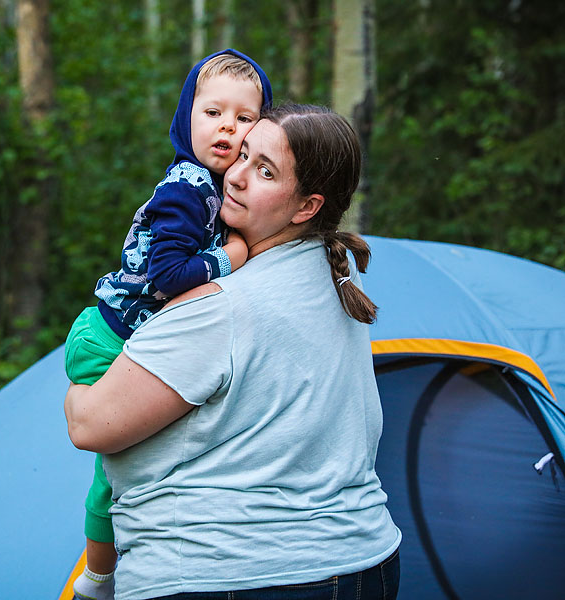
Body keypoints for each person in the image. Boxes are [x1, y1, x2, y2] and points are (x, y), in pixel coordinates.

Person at [65, 104, 402, 600]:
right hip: (363, 565)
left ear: (307, 207)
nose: (237, 177)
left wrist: (85, 362)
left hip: (227, 571)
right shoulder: (333, 288)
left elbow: (90, 425)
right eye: (243, 154)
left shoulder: (222, 306)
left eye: (265, 170)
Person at [64, 49, 273, 600]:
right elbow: (167, 277)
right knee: (119, 470)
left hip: (121, 331)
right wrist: (233, 257)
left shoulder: (213, 186)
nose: (227, 126)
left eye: (244, 117)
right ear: (186, 120)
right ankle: (99, 579)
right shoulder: (188, 187)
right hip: (108, 337)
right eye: (212, 113)